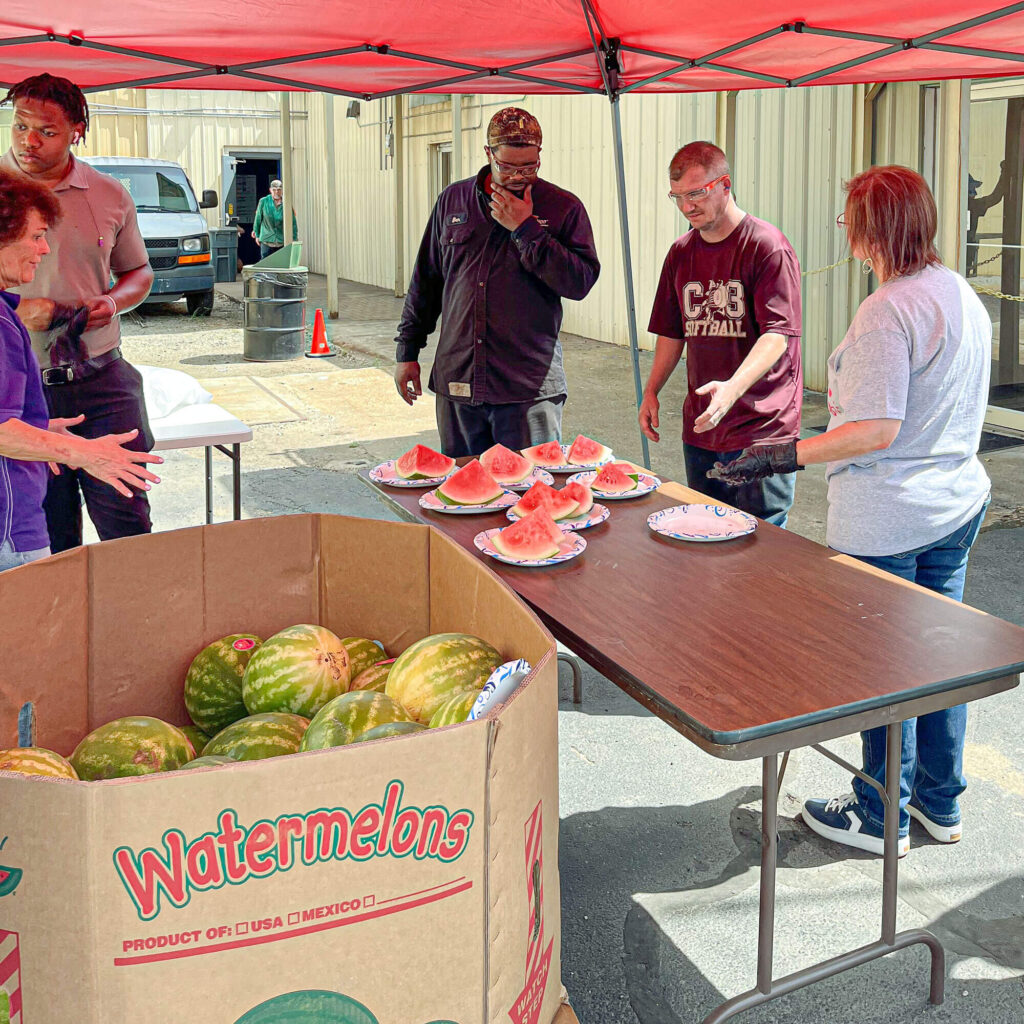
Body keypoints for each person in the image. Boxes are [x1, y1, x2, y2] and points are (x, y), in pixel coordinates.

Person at [710, 166, 992, 857]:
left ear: (872, 231)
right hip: (956, 504)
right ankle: (938, 802)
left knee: (879, 670)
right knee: (938, 661)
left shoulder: (887, 311)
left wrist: (782, 454)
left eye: (851, 222)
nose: (849, 235)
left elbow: (876, 429)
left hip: (890, 518)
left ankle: (878, 811)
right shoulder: (960, 293)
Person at [1, 73, 157, 553]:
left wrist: (110, 303)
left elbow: (140, 273)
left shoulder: (108, 194)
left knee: (127, 524)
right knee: (47, 538)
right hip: (20, 391)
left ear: (77, 131)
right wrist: (20, 311)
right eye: (19, 125)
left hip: (99, 378)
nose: (30, 141)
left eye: (47, 132)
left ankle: (132, 623)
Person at [394, 107, 600, 456]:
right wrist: (407, 352)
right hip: (459, 380)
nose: (519, 176)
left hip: (528, 390)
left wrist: (527, 229)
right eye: (508, 166)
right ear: (488, 154)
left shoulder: (563, 207)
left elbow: (580, 282)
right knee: (464, 500)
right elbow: (426, 282)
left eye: (529, 167)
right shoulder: (453, 200)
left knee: (532, 497)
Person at [641, 141, 803, 527]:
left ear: (725, 184)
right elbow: (671, 331)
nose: (687, 206)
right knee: (704, 538)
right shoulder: (680, 253)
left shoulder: (766, 247)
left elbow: (777, 335)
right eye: (677, 197)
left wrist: (732, 388)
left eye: (696, 193)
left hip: (760, 431)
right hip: (702, 428)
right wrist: (652, 390)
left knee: (761, 550)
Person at [252, 179, 298, 260]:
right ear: (270, 190)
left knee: (281, 264)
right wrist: (257, 234)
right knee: (265, 264)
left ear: (282, 190)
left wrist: (294, 238)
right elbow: (258, 218)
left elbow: (292, 222)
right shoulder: (264, 201)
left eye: (279, 190)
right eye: (274, 190)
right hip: (266, 238)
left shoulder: (286, 202)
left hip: (281, 240)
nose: (277, 192)